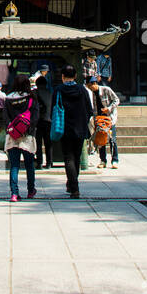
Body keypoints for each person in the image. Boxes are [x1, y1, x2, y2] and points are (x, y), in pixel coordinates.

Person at [53, 64, 94, 198]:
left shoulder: (59, 90)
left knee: (68, 157)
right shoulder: (82, 90)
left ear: (63, 76)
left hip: (64, 126)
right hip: (80, 127)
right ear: (75, 76)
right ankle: (72, 184)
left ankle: (73, 186)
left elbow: (54, 107)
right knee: (76, 156)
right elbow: (89, 109)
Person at [4, 73, 39, 200]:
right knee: (29, 165)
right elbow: (35, 116)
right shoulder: (31, 98)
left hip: (13, 135)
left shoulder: (8, 98)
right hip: (27, 135)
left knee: (14, 165)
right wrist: (29, 128)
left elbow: (5, 117)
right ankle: (31, 190)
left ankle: (14, 192)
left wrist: (10, 129)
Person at [88, 79, 120, 168]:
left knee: (112, 139)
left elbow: (116, 100)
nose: (90, 88)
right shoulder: (92, 93)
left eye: (90, 86)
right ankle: (103, 160)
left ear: (94, 84)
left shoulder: (106, 89)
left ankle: (115, 160)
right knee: (100, 139)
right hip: (99, 119)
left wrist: (109, 108)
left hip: (109, 118)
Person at [33, 72, 55, 168]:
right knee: (48, 143)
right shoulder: (51, 93)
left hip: (38, 120)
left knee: (38, 142)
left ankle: (39, 162)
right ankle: (49, 162)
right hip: (49, 120)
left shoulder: (35, 93)